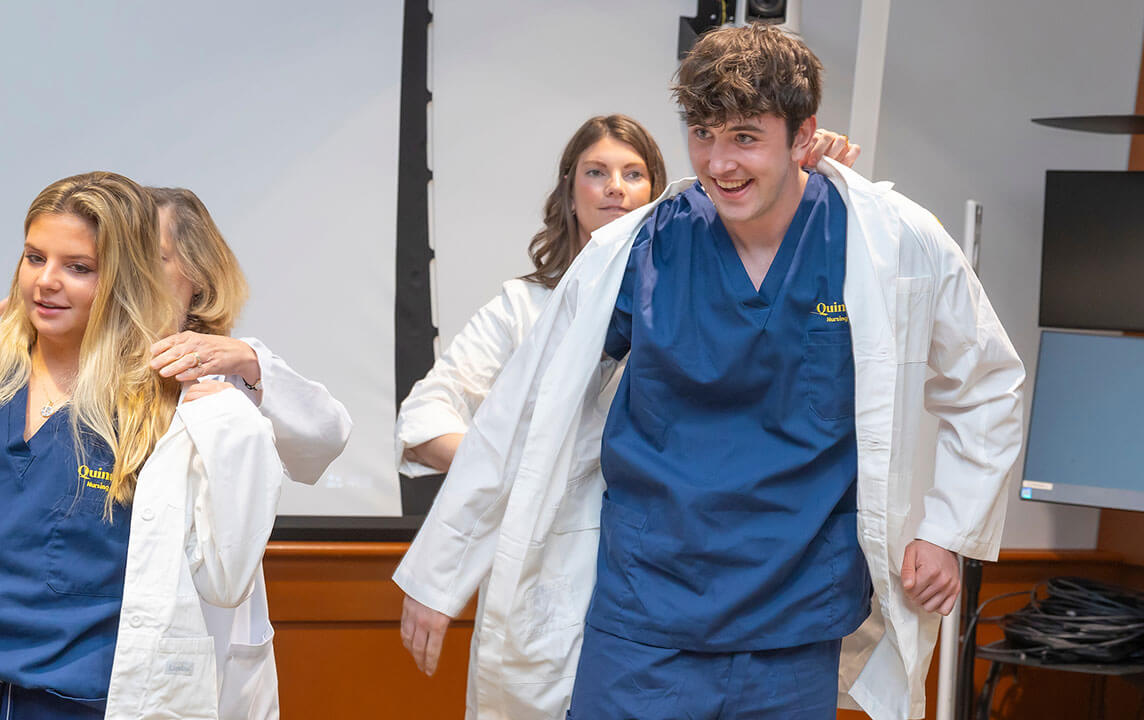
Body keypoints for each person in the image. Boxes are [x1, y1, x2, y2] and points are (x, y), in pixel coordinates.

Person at [398, 25, 1024, 720]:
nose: (719, 163)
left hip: (795, 624)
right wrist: (441, 569)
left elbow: (988, 382)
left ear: (802, 133)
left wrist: (948, 530)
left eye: (746, 138)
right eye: (703, 134)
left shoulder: (887, 240)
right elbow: (526, 403)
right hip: (647, 616)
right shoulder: (640, 248)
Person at [394, 114, 862, 717]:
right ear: (569, 193)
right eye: (596, 172)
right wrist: (534, 466)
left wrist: (810, 188)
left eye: (633, 173)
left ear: (659, 195)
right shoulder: (523, 307)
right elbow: (434, 420)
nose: (615, 187)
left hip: (673, 573)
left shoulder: (689, 277)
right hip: (559, 562)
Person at [0, 185, 353, 719]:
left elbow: (321, 437)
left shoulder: (205, 390)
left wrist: (249, 363)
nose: (51, 279)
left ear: (197, 277)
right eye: (36, 258)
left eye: (86, 265)